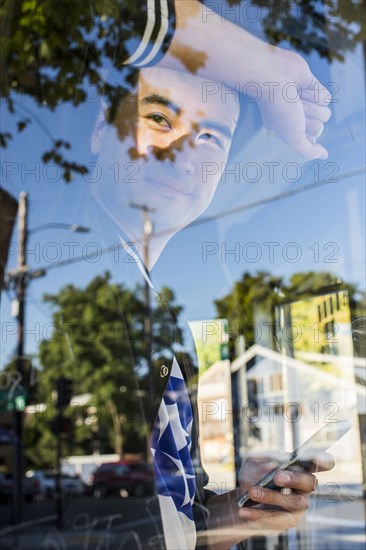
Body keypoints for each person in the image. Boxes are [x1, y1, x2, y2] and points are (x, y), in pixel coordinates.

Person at [92, 64, 334, 550]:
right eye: (160, 118)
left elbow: (175, 525)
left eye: (209, 139)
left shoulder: (163, 316)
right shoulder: (72, 270)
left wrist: (244, 510)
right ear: (103, 130)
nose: (184, 157)